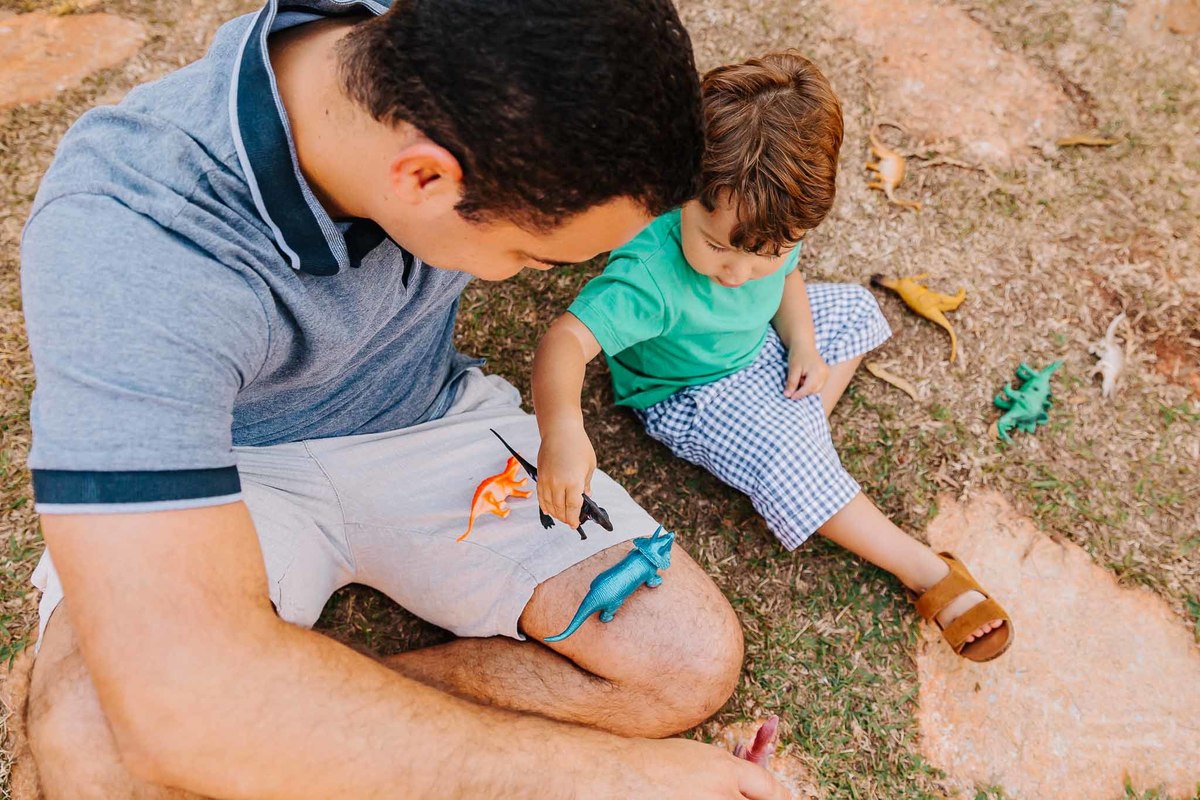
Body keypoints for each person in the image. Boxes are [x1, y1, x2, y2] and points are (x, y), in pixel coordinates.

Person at [18, 2, 792, 797]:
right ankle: (259, 696)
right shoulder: (132, 240)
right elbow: (165, 697)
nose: (535, 274)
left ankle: (274, 701)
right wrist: (616, 779)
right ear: (424, 177)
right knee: (99, 740)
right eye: (535, 256)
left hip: (428, 417)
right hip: (230, 470)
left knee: (682, 659)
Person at [532, 52, 1012, 664]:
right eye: (716, 247)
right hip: (692, 392)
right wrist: (562, 431)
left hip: (758, 344)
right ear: (684, 192)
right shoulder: (650, 276)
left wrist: (802, 340)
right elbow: (565, 341)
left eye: (767, 251)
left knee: (856, 309)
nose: (738, 272)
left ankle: (798, 450)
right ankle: (925, 570)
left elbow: (786, 278)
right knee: (788, 453)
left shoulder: (771, 221)